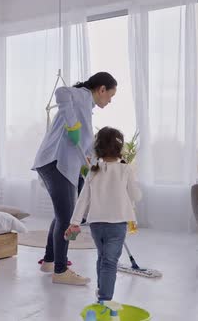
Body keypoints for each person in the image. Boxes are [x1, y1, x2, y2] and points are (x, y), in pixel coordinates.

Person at [32, 72, 117, 285]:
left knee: (63, 214)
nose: (110, 101)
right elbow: (61, 93)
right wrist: (72, 125)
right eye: (110, 96)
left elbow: (84, 149)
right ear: (101, 89)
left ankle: (50, 261)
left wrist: (92, 168)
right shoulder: (81, 95)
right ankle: (61, 272)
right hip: (54, 162)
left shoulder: (87, 109)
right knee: (68, 218)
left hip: (60, 165)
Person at [65, 126, 142, 301]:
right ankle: (105, 298)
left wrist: (75, 222)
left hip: (96, 225)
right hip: (117, 225)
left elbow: (83, 199)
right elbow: (136, 195)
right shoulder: (125, 169)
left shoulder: (94, 170)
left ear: (98, 148)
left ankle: (100, 290)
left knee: (102, 257)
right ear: (119, 148)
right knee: (110, 261)